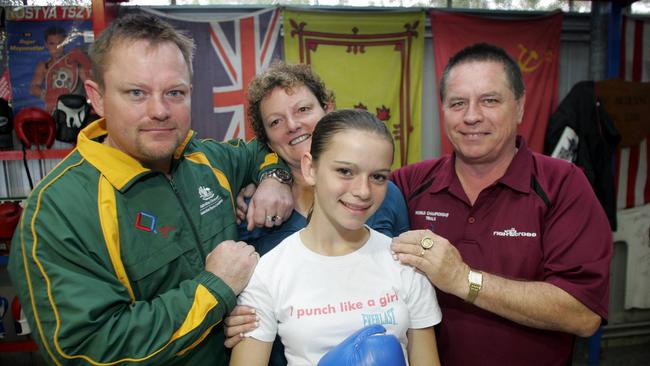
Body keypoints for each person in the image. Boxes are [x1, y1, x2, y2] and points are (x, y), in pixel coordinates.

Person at [9, 14, 293, 366]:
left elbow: (264, 150)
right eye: (136, 93)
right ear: (97, 98)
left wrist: (274, 179)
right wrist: (215, 288)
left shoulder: (203, 158)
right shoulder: (58, 212)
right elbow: (86, 349)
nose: (159, 111)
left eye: (174, 93)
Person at [390, 43, 612, 365]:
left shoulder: (563, 184)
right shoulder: (409, 183)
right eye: (457, 103)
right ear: (443, 110)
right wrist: (286, 177)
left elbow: (583, 313)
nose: (471, 116)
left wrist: (464, 280)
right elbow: (343, 189)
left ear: (520, 107)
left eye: (489, 100)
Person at [226, 62, 410, 366]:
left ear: (327, 108)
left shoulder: (383, 194)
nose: (293, 125)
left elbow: (408, 267)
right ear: (268, 140)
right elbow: (247, 305)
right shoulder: (254, 211)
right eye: (276, 122)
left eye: (302, 110)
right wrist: (229, 317)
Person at [30, 26, 92, 113]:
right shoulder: (44, 66)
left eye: (60, 43)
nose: (57, 47)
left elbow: (90, 85)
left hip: (76, 111)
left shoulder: (75, 62)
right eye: (52, 43)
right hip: (54, 111)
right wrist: (49, 95)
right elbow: (33, 88)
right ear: (46, 45)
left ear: (65, 42)